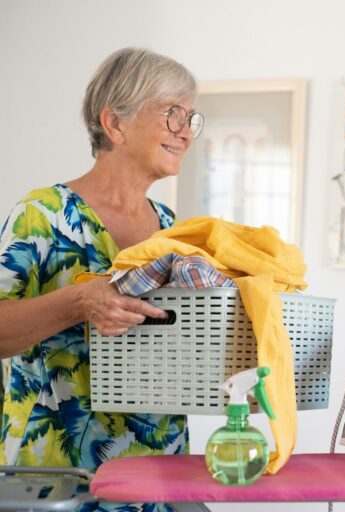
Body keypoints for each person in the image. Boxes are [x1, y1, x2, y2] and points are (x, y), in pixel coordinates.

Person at [0, 48, 203, 509]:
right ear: (114, 123)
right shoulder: (43, 214)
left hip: (159, 475)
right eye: (173, 114)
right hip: (55, 479)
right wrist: (77, 302)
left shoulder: (174, 228)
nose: (186, 133)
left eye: (191, 118)